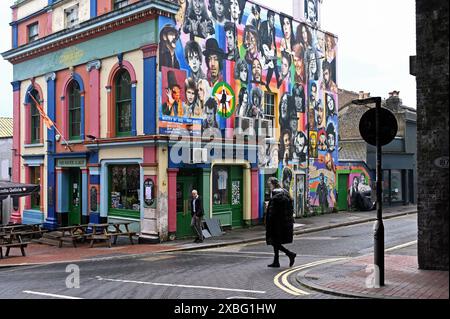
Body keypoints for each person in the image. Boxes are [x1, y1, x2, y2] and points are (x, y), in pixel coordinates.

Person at [265, 177, 297, 268]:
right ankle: (276, 261)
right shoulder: (284, 192)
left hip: (276, 223)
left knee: (275, 242)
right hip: (284, 222)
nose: (269, 186)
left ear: (272, 184)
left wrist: (268, 223)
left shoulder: (275, 195)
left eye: (269, 184)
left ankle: (290, 254)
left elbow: (272, 213)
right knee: (276, 242)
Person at [260, 11, 279, 91]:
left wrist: (275, 52)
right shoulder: (263, 25)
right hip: (262, 48)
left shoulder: (273, 29)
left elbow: (273, 41)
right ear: (268, 19)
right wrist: (264, 53)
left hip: (269, 49)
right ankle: (259, 79)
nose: (273, 22)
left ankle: (269, 83)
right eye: (272, 20)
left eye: (274, 20)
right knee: (261, 64)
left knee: (273, 64)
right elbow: (260, 40)